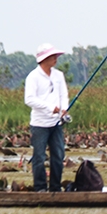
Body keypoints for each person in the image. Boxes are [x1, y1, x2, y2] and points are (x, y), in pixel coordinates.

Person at [24, 43, 69, 192]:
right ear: (44, 59)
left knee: (58, 155)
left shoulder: (59, 75)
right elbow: (29, 99)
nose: (56, 59)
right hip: (39, 124)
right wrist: (50, 107)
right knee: (39, 157)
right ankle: (40, 188)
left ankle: (55, 188)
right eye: (52, 57)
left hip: (56, 123)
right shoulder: (33, 77)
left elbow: (63, 95)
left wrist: (64, 109)